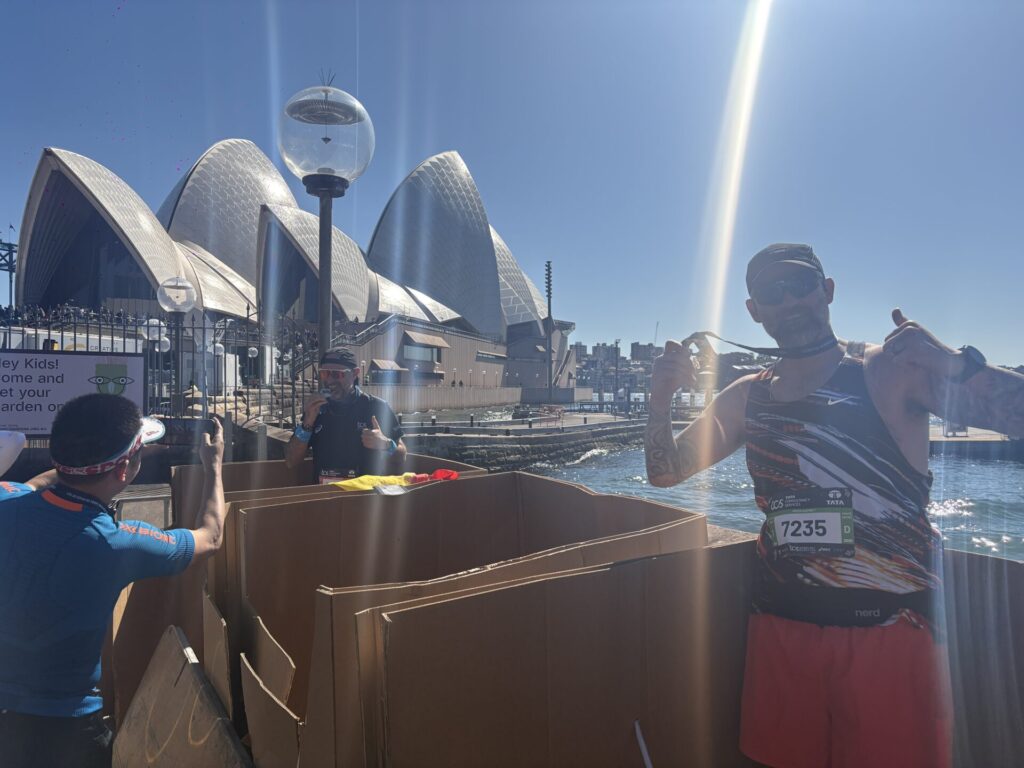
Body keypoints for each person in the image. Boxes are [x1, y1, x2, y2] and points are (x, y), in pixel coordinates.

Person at [645, 243, 1024, 768]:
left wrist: (952, 362)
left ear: (827, 291)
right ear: (754, 311)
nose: (789, 301)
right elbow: (666, 472)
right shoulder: (745, 396)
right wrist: (660, 397)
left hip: (892, 630)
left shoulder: (888, 371)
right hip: (780, 626)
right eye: (772, 292)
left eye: (800, 285)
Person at [0, 394, 225, 768]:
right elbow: (211, 536)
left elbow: (36, 486)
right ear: (123, 470)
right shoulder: (116, 543)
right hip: (67, 734)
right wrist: (213, 466)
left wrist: (78, 465)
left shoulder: (7, 499)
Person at [286, 346, 407, 484]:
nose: (330, 380)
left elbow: (402, 456)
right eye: (325, 373)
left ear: (355, 373)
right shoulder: (317, 408)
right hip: (326, 493)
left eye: (337, 374)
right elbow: (290, 461)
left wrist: (385, 444)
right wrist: (307, 423)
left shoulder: (376, 407)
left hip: (364, 493)